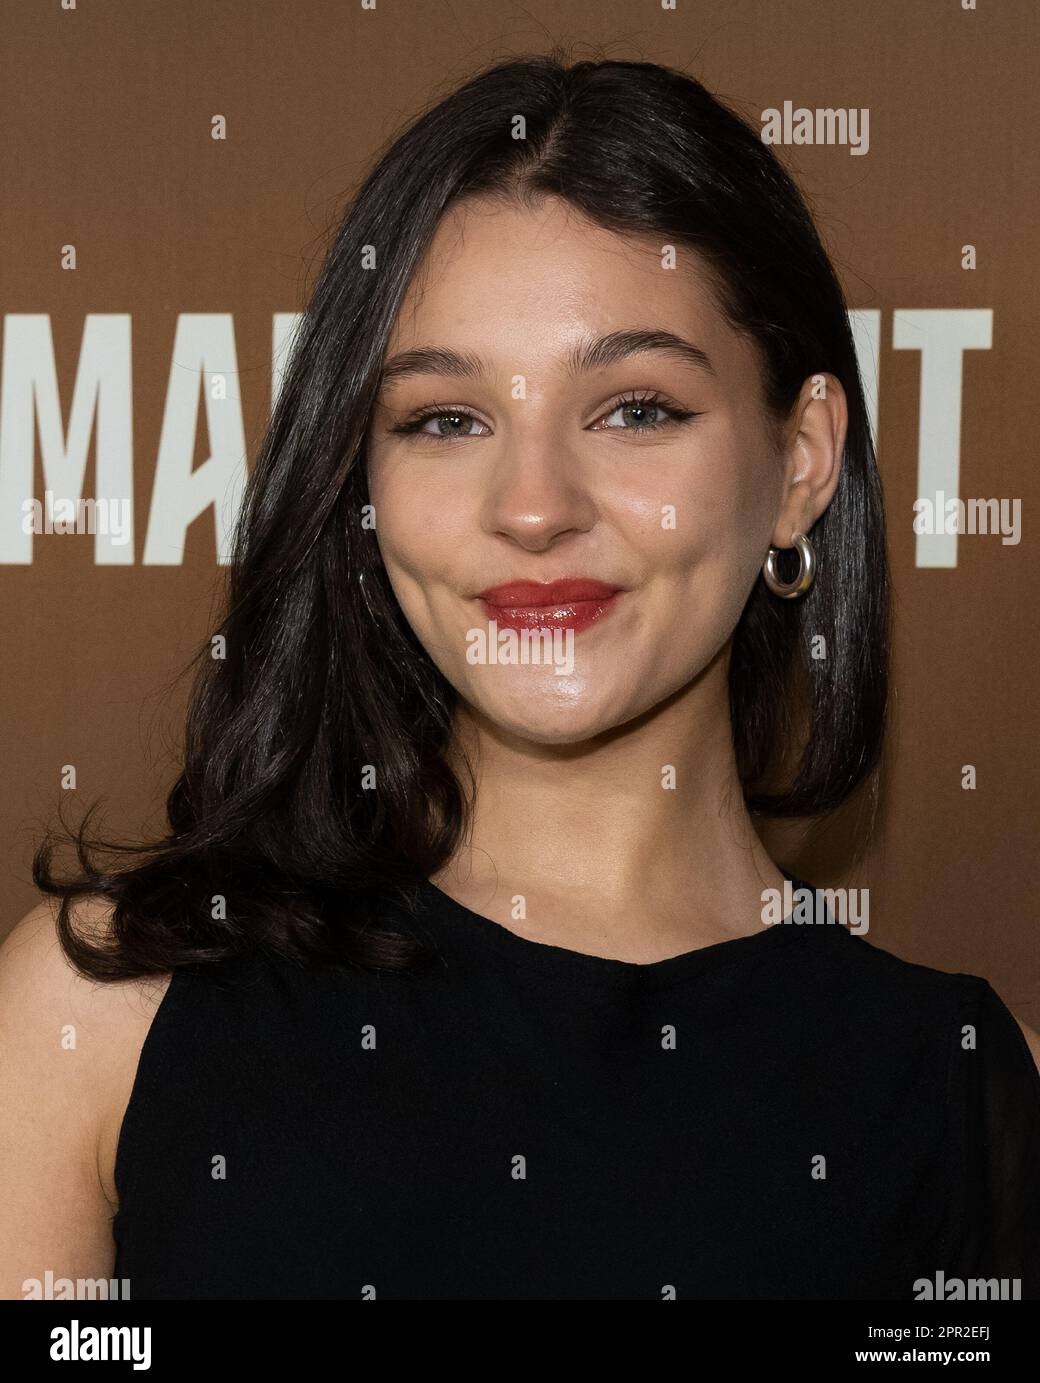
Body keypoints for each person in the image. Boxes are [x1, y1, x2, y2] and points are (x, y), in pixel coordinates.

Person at [2, 53, 1037, 1301]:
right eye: (445, 418)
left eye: (634, 408)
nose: (533, 508)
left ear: (801, 458)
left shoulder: (960, 1095)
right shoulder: (107, 1011)